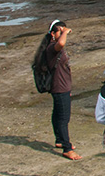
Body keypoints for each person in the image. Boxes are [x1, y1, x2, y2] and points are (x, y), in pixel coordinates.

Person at [32, 20, 81, 160]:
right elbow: (61, 43)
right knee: (64, 117)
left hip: (61, 86)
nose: (63, 33)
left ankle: (59, 140)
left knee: (58, 113)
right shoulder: (52, 47)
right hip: (59, 87)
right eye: (60, 31)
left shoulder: (52, 47)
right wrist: (65, 32)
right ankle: (67, 147)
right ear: (53, 34)